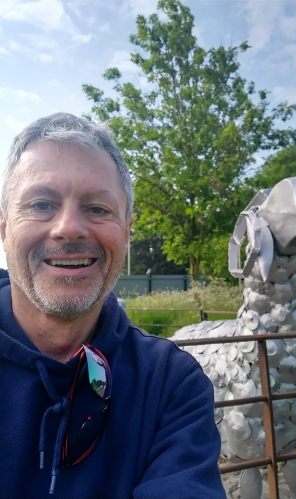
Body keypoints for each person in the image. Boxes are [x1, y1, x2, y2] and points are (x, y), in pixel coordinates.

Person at [0, 113, 225, 499]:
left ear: (126, 232)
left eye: (98, 209)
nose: (69, 227)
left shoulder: (172, 383)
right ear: (4, 228)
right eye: (41, 204)